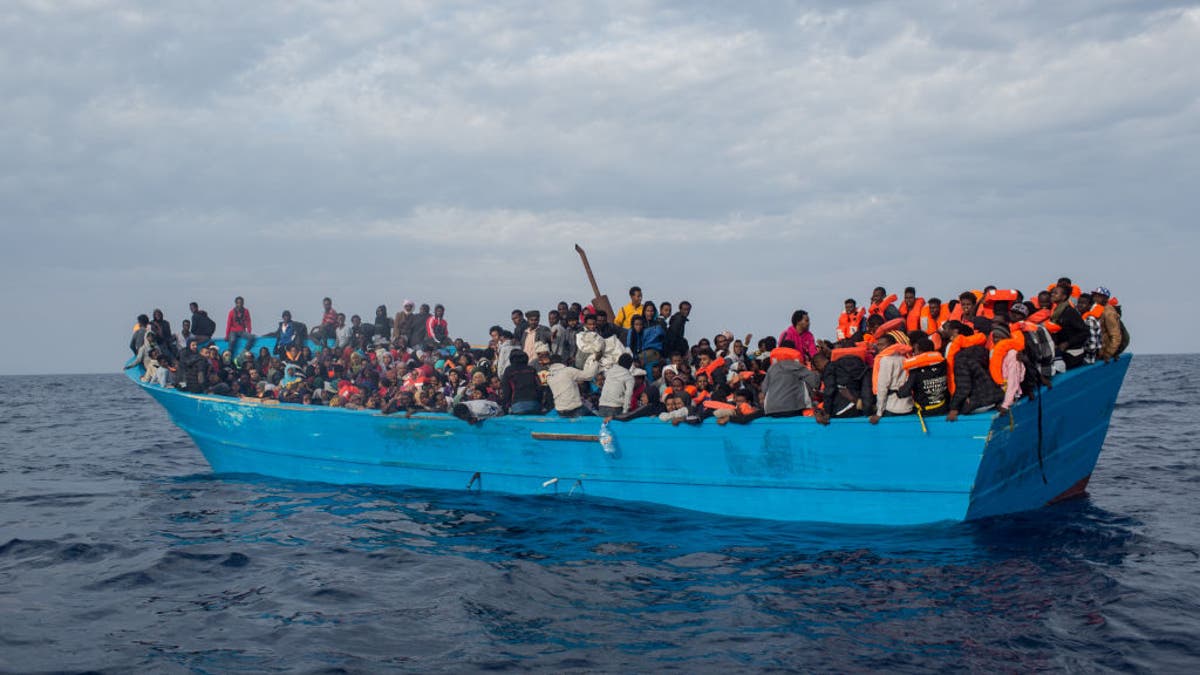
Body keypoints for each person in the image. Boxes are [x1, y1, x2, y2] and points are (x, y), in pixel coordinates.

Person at [945, 322, 1003, 421]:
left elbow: (964, 387)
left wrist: (954, 408)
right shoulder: (983, 351)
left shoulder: (960, 359)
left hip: (978, 404)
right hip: (994, 398)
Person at [761, 344, 821, 418]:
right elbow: (815, 383)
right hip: (793, 408)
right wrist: (817, 372)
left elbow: (764, 389)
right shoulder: (797, 366)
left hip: (771, 409)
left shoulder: (772, 368)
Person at [869, 331, 913, 423]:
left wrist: (879, 413)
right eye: (878, 345)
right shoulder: (905, 358)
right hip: (908, 406)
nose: (879, 347)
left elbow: (882, 387)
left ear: (891, 345)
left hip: (892, 408)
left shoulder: (885, 360)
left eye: (882, 345)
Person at [898, 336, 948, 417]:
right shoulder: (944, 364)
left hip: (925, 412)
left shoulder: (915, 370)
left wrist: (899, 391)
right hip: (943, 408)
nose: (914, 353)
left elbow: (904, 392)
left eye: (915, 350)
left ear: (920, 351)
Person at [1049, 285, 1088, 368]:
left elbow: (1085, 332)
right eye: (1052, 293)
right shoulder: (1056, 312)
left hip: (1072, 353)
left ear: (1064, 297)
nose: (1052, 294)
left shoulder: (1070, 312)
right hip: (1060, 351)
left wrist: (1067, 343)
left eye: (1056, 293)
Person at [1092, 287, 1126, 362]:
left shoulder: (1108, 313)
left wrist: (1109, 353)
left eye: (1098, 296)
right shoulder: (1097, 308)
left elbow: (1116, 335)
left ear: (1105, 298)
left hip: (1104, 351)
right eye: (1094, 295)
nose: (1095, 298)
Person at [599, 353, 636, 420]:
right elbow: (628, 394)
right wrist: (625, 412)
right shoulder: (629, 377)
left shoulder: (609, 371)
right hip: (615, 407)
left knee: (603, 429)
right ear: (630, 365)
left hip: (602, 406)